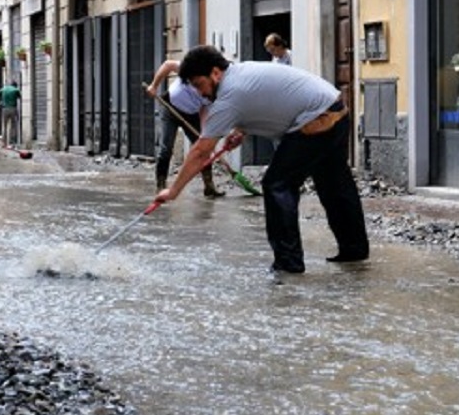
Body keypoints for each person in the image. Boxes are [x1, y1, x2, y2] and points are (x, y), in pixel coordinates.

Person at [157, 45, 369, 273]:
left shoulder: (229, 95)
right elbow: (264, 101)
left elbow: (200, 151)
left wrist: (173, 191)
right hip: (334, 108)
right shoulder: (241, 73)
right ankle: (354, 249)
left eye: (200, 85)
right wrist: (240, 132)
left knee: (278, 184)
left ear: (215, 73)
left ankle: (288, 263)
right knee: (334, 181)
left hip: (315, 119)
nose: (200, 93)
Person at [146, 59, 224, 198]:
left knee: (204, 147)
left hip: (191, 114)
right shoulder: (192, 68)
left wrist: (205, 133)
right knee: (166, 147)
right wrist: (154, 86)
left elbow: (204, 110)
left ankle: (209, 186)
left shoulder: (215, 91)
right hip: (170, 107)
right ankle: (161, 185)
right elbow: (168, 65)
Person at [0, 80, 21, 148]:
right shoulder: (16, 90)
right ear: (15, 85)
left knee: (4, 126)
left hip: (4, 109)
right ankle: (12, 144)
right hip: (13, 109)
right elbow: (19, 97)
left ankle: (3, 143)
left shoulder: (4, 88)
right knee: (13, 127)